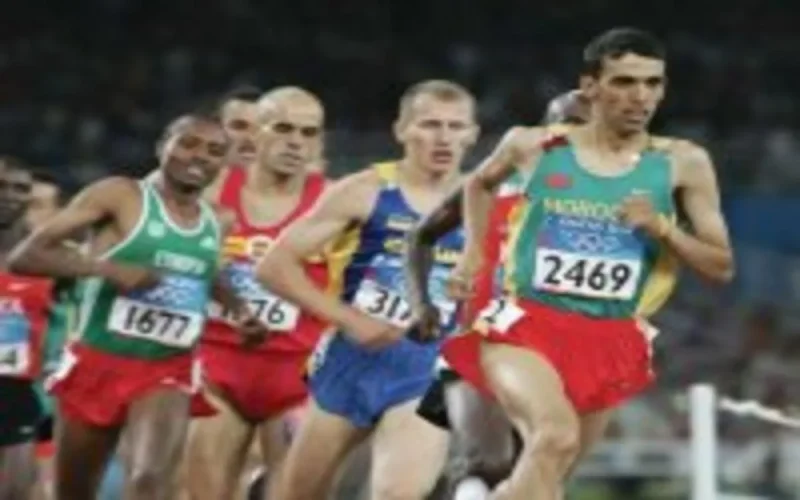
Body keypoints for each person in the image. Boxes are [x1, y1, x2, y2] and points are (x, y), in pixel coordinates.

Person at [433, 28, 734, 499]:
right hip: (525, 324)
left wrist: (664, 229)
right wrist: (472, 252)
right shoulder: (531, 146)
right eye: (624, 82)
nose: (641, 97)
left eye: (653, 83)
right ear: (590, 87)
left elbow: (720, 267)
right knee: (554, 437)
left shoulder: (683, 163)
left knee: (551, 477)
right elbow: (478, 184)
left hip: (611, 338)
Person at [8, 113, 267, 500]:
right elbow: (25, 257)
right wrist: (107, 269)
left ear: (223, 164)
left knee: (150, 478)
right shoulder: (119, 195)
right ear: (163, 146)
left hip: (167, 368)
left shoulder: (214, 221)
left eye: (215, 151)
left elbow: (206, 273)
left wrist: (240, 309)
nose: (200, 156)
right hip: (96, 362)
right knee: (72, 492)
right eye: (189, 143)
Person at [256, 79, 479, 500]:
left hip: (427, 370)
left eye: (455, 126)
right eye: (430, 124)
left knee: (398, 494)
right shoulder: (365, 191)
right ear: (402, 130)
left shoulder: (485, 203)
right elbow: (274, 266)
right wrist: (349, 320)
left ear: (472, 134)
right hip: (349, 361)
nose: (444, 137)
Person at [411, 89, 591, 500]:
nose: (574, 136)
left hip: (554, 353)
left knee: (540, 470)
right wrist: (422, 304)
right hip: (484, 337)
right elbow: (421, 237)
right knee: (483, 463)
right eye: (565, 125)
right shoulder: (497, 180)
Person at [187, 86, 329, 500]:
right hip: (217, 367)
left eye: (308, 133)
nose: (295, 143)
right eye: (283, 129)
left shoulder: (337, 202)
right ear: (255, 134)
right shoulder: (209, 196)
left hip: (298, 377)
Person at [0, 157, 53, 500]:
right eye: (2, 186)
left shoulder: (48, 258)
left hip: (15, 389)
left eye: (20, 188)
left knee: (17, 492)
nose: (9, 196)